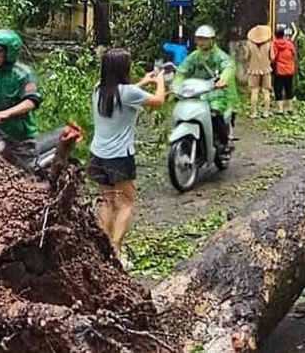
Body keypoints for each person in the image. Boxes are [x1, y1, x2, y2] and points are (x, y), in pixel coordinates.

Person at [89, 48, 165, 260]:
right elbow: (159, 101)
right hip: (119, 157)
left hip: (97, 155)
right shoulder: (129, 93)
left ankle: (103, 251)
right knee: (126, 203)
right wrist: (160, 82)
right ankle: (115, 249)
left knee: (107, 202)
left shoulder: (98, 90)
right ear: (124, 69)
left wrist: (142, 82)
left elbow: (122, 94)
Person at [0, 29, 41, 172]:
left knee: (26, 179)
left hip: (21, 142)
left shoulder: (23, 74)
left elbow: (31, 101)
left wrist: (5, 114)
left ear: (10, 52)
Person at [174, 25, 237, 147]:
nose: (201, 42)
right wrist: (176, 84)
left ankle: (223, 142)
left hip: (217, 92)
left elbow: (228, 66)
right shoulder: (194, 56)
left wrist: (223, 79)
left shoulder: (219, 56)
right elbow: (182, 70)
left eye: (204, 39)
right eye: (199, 39)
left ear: (212, 40)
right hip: (197, 92)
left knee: (215, 111)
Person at [245, 24, 273, 119]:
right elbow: (272, 57)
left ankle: (254, 113)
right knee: (266, 91)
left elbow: (246, 57)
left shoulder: (249, 44)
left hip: (253, 70)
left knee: (254, 91)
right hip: (266, 70)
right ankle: (266, 112)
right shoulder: (269, 44)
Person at [271, 26, 297, 116]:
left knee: (278, 89)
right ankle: (290, 108)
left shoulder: (274, 44)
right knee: (289, 89)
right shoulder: (289, 44)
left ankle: (280, 110)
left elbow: (273, 58)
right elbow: (293, 54)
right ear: (283, 35)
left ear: (275, 35)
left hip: (279, 71)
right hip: (289, 70)